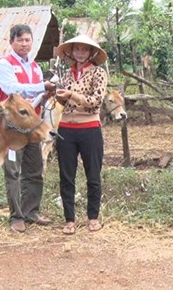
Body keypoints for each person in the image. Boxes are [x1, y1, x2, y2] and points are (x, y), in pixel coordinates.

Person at [0, 24, 57, 233]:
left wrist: (44, 95)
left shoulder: (35, 67)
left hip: (32, 126)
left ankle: (31, 211)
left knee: (35, 168)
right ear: (11, 42)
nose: (24, 44)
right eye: (20, 40)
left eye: (27, 40)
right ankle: (16, 216)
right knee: (13, 171)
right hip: (11, 127)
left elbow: (31, 100)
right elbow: (12, 90)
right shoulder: (4, 65)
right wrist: (42, 87)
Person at [54, 34, 108, 235]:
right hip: (66, 128)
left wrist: (71, 95)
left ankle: (93, 217)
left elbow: (95, 101)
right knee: (66, 176)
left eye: (84, 49)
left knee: (93, 175)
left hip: (90, 128)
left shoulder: (98, 73)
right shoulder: (67, 75)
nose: (80, 53)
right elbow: (63, 103)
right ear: (71, 52)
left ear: (91, 52)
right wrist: (57, 95)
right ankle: (69, 219)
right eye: (77, 49)